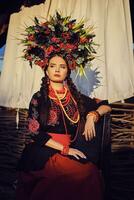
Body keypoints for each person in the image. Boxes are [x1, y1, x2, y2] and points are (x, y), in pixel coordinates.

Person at [16, 12, 111, 200]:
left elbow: (106, 106)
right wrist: (65, 149)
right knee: (79, 175)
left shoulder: (75, 97)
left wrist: (93, 115)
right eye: (53, 66)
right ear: (46, 69)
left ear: (68, 71)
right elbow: (35, 132)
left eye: (62, 66)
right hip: (44, 152)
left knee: (91, 172)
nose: (57, 69)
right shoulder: (39, 97)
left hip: (69, 150)